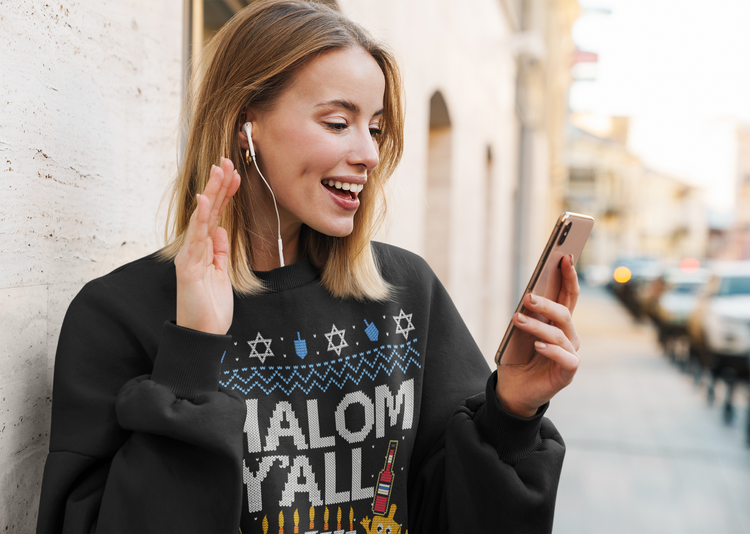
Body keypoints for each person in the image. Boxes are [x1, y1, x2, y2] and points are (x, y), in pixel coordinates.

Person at [36, 1, 581, 532]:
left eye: (376, 128)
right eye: (339, 122)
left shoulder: (406, 293)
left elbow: (449, 509)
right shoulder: (116, 315)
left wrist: (511, 411)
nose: (369, 153)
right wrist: (192, 355)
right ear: (245, 126)